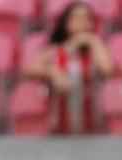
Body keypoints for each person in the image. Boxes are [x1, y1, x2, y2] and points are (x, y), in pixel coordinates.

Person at [23, 1, 113, 134]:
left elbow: (107, 70)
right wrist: (52, 71)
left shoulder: (94, 50)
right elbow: (29, 70)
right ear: (66, 22)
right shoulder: (55, 50)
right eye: (76, 17)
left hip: (91, 128)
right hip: (60, 127)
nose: (81, 22)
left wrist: (93, 41)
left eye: (86, 18)